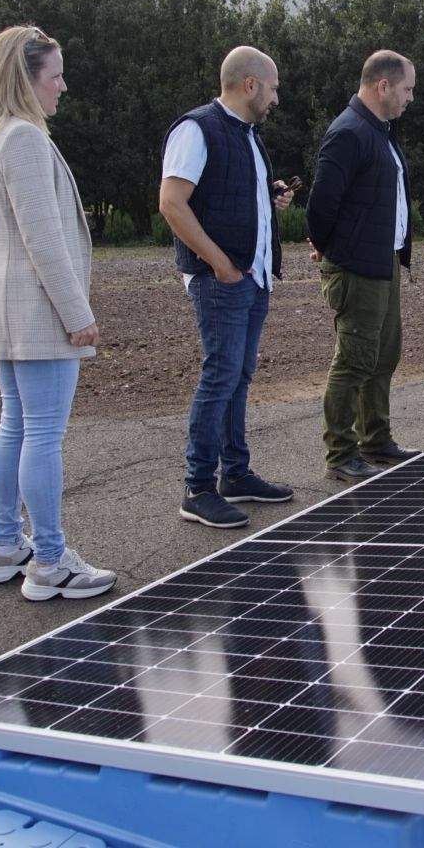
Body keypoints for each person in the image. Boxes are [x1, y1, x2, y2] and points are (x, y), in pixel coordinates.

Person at [0, 24, 117, 602]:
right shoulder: (24, 138)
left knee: (16, 426)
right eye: (54, 75)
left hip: (5, 305)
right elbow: (43, 239)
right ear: (26, 79)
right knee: (43, 435)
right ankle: (49, 560)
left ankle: (7, 545)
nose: (62, 85)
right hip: (35, 310)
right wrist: (77, 313)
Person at [159, 46, 297, 529]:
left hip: (252, 277)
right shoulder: (197, 129)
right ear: (251, 84)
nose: (277, 99)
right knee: (220, 376)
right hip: (223, 278)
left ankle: (235, 475)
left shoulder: (248, 135)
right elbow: (172, 203)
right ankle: (197, 488)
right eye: (274, 88)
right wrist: (218, 264)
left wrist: (268, 194)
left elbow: (228, 191)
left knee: (237, 376)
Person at [305, 50, 422, 483]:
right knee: (354, 360)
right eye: (407, 89)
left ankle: (376, 440)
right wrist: (333, 250)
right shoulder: (349, 132)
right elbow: (320, 207)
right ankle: (340, 453)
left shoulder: (381, 131)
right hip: (357, 267)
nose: (411, 98)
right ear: (383, 86)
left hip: (383, 264)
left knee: (382, 356)